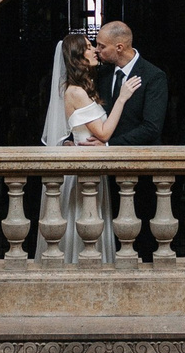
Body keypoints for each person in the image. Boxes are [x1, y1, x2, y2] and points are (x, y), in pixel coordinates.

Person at [37, 35, 144, 263]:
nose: (94, 51)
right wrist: (122, 98)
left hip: (92, 164)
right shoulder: (75, 92)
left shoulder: (82, 88)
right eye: (88, 47)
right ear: (77, 57)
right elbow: (103, 133)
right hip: (81, 170)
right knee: (82, 221)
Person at [93, 20, 169, 147]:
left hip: (140, 156)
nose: (96, 50)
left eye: (102, 46)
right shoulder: (102, 73)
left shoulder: (153, 76)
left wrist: (109, 144)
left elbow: (152, 128)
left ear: (119, 47)